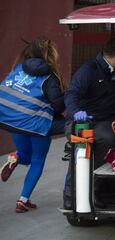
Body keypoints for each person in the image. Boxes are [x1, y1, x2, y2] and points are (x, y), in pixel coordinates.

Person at [63, 37, 115, 209]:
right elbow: (71, 94)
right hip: (84, 120)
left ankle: (107, 188)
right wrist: (76, 112)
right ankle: (80, 195)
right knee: (101, 142)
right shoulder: (89, 70)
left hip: (106, 119)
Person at [0, 37, 66, 213]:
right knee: (37, 160)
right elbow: (59, 105)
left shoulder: (18, 68)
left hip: (11, 121)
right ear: (51, 54)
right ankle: (22, 200)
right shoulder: (50, 77)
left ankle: (16, 158)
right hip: (36, 124)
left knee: (26, 156)